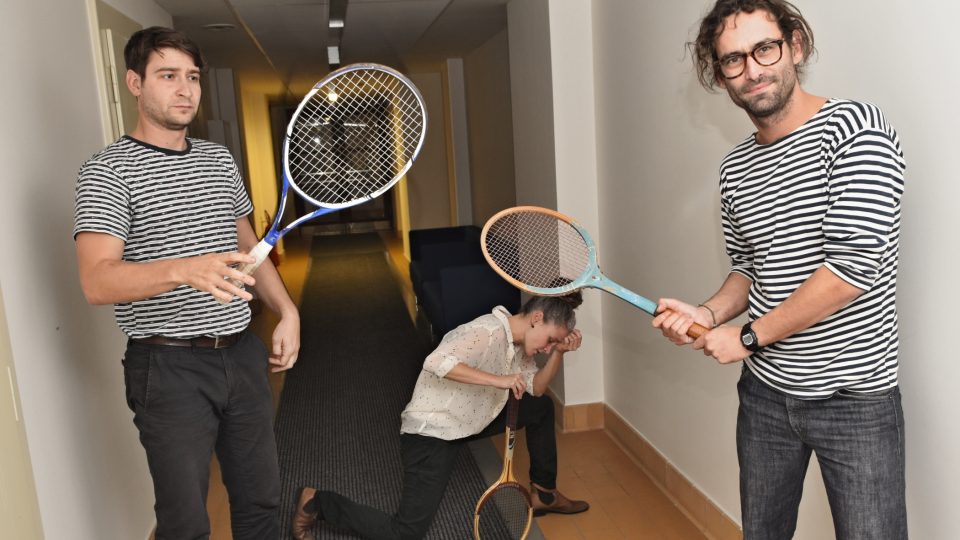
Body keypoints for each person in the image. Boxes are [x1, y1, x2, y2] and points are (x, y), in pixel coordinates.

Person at [652, 1, 907, 538]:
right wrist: (706, 313)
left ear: (795, 45)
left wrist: (747, 337)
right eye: (733, 59)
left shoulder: (855, 128)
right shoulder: (735, 168)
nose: (752, 70)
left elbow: (849, 271)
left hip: (854, 402)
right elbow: (749, 267)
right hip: (765, 394)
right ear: (721, 75)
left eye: (764, 49)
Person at [73, 26, 301, 539]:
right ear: (135, 83)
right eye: (168, 76)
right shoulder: (107, 171)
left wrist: (287, 311)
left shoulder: (218, 159)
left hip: (241, 353)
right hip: (168, 367)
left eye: (193, 77)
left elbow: (250, 247)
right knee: (185, 523)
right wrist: (183, 268)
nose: (185, 90)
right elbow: (96, 281)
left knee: (260, 503)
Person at [291, 294, 589, 539]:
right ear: (536, 318)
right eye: (550, 340)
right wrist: (500, 381)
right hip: (432, 431)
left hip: (472, 418)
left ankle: (544, 494)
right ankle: (317, 502)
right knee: (406, 533)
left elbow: (536, 387)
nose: (547, 348)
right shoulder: (486, 332)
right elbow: (435, 362)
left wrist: (559, 354)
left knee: (540, 408)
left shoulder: (520, 344)